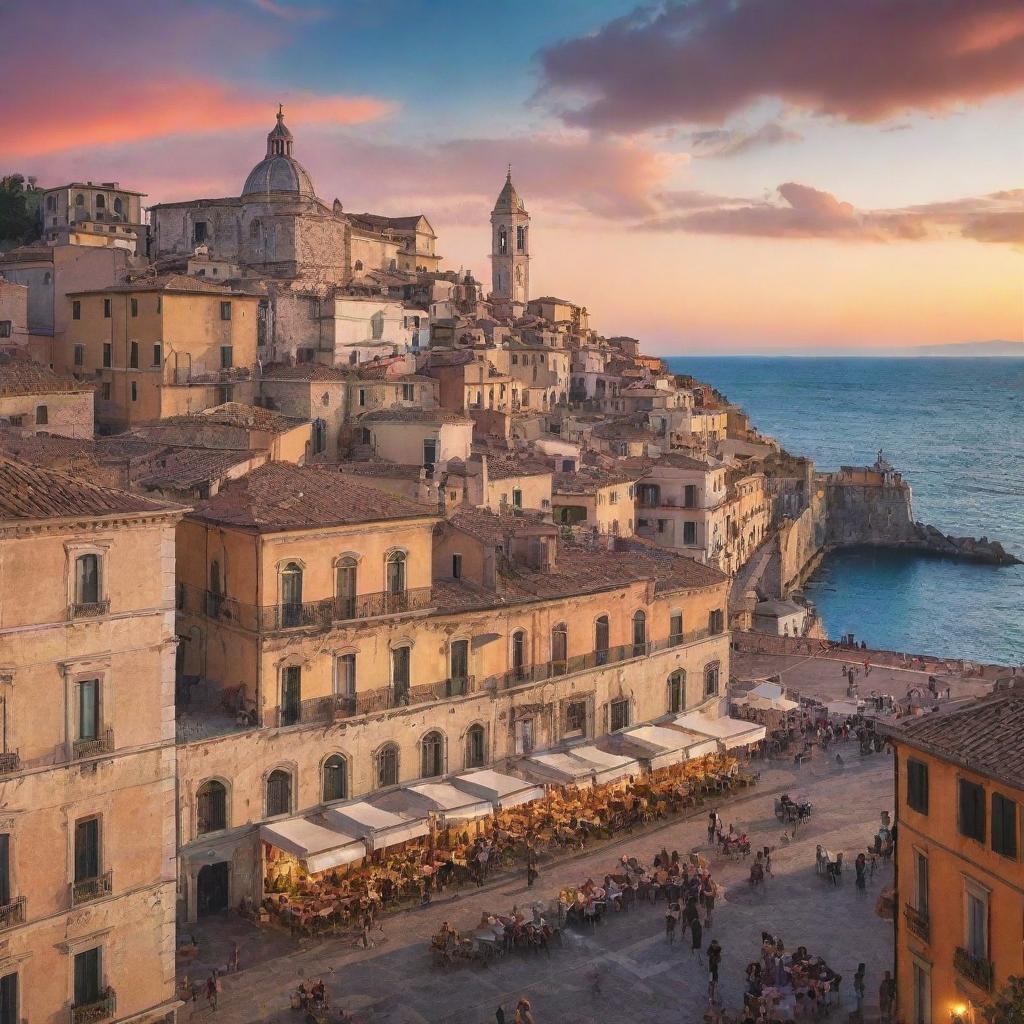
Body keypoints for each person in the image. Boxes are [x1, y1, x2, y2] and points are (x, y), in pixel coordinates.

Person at [708, 938, 723, 1003]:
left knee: (713, 983)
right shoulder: (711, 950)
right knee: (711, 983)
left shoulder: (717, 950)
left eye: (715, 945)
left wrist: (716, 958)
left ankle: (712, 997)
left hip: (714, 969)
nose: (714, 946)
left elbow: (719, 959)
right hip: (711, 969)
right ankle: (711, 997)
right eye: (713, 945)